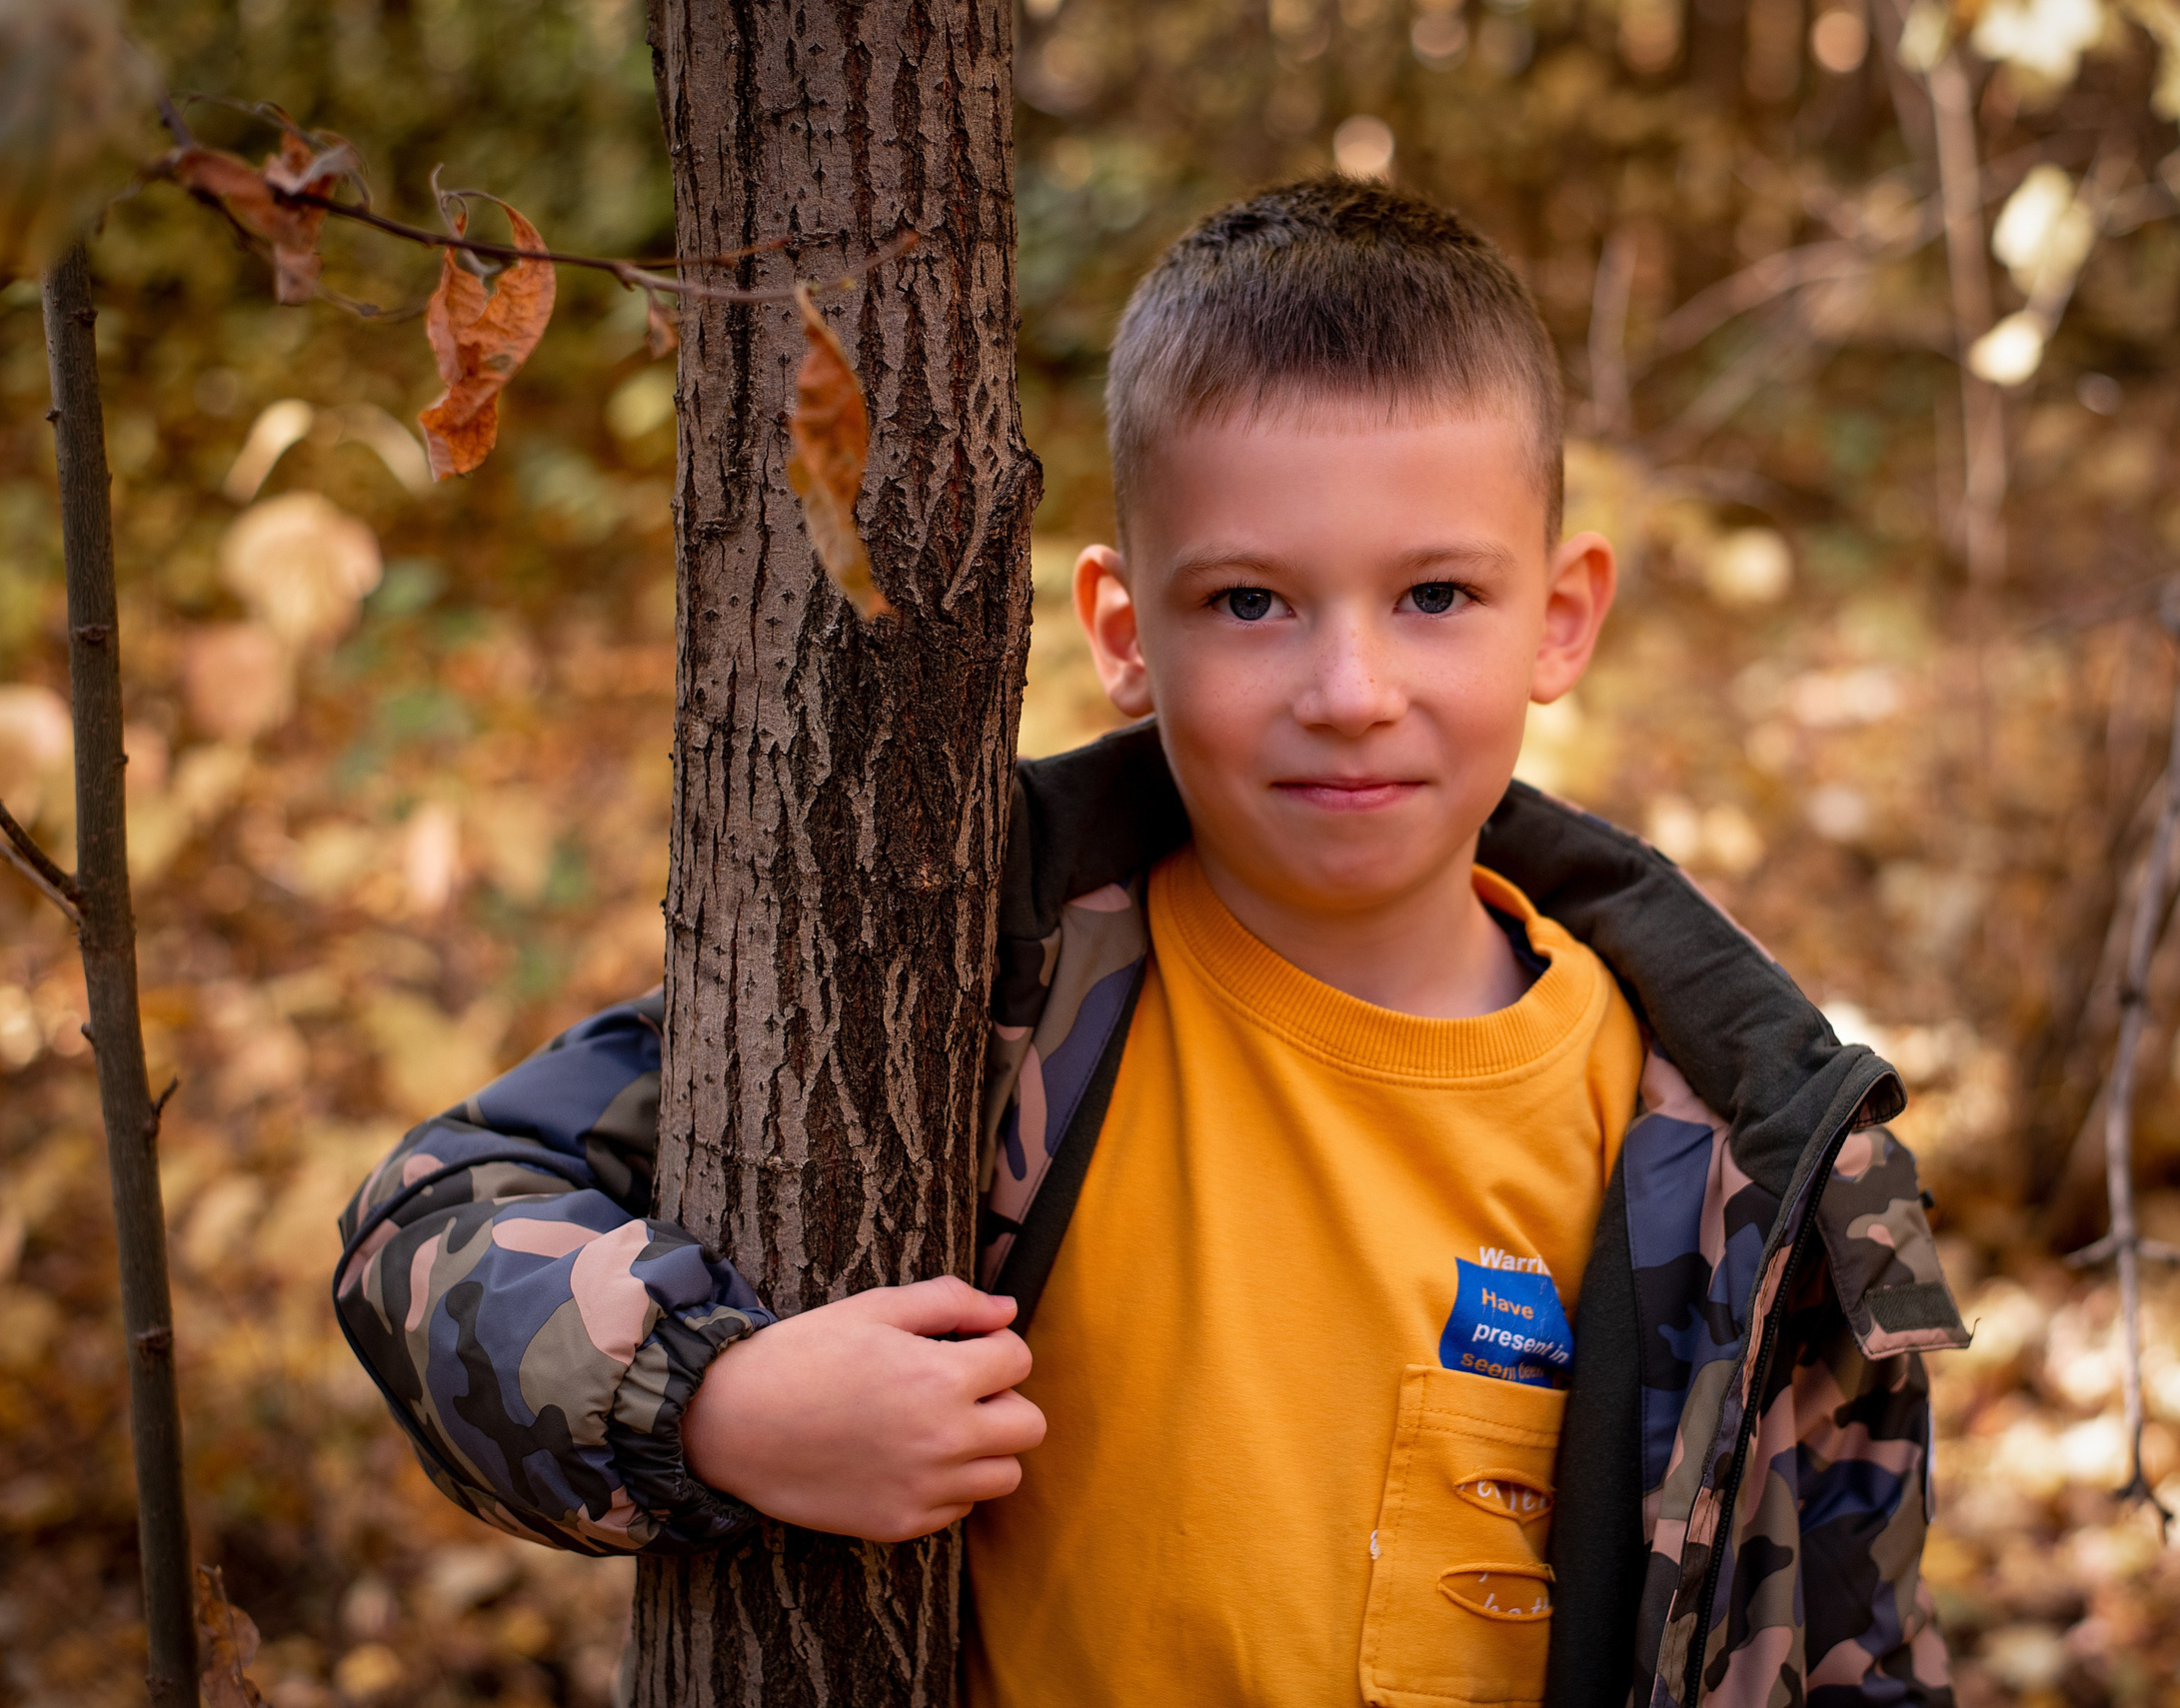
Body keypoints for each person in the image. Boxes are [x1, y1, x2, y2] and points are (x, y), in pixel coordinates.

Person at [333, 177, 1967, 1708]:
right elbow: (429, 1223)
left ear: (1562, 615)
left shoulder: (1736, 1165)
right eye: (1252, 601)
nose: (1348, 688)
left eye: (1436, 597)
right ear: (1125, 633)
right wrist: (714, 1402)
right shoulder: (977, 977)